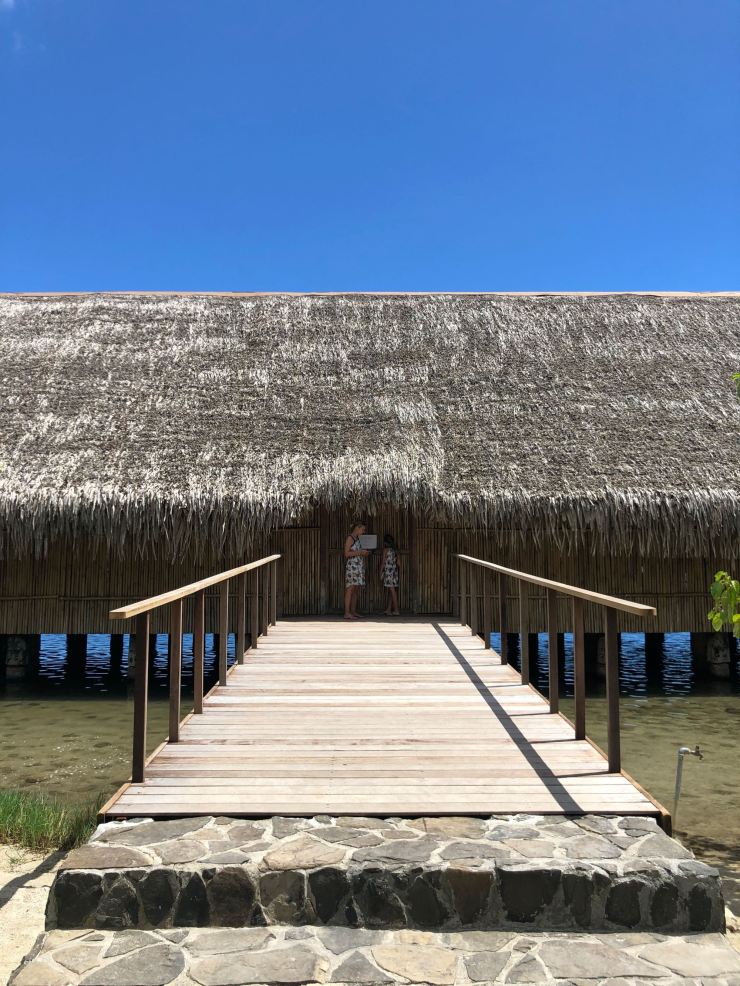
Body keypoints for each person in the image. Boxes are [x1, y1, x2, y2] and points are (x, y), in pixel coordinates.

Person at [344, 521, 369, 620]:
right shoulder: (350, 538)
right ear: (357, 528)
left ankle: (353, 611)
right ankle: (347, 613)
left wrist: (364, 553)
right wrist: (360, 552)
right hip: (352, 566)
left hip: (358, 566)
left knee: (355, 590)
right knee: (350, 589)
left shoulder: (357, 539)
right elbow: (346, 554)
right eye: (362, 529)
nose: (363, 531)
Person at [381, 533, 400, 616]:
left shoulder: (386, 550)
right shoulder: (396, 550)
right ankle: (388, 610)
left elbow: (383, 562)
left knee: (392, 591)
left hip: (388, 572)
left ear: (385, 542)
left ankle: (396, 610)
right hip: (394, 572)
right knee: (392, 591)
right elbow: (399, 563)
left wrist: (380, 571)